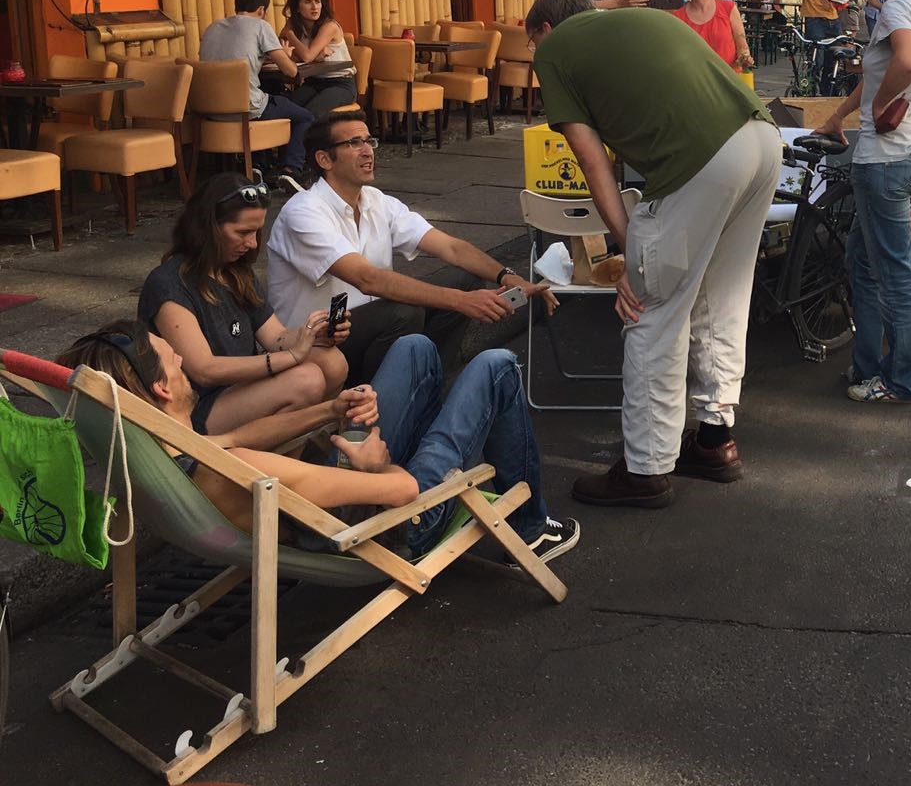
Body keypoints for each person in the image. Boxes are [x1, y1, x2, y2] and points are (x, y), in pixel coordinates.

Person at [527, 0, 781, 508]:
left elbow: (591, 161)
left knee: (650, 314)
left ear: (546, 30)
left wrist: (628, 254)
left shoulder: (555, 48)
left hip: (702, 161)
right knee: (722, 296)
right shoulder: (650, 22)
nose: (536, 59)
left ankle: (644, 469)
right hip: (761, 139)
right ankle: (714, 439)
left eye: (533, 45)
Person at [58, 323, 578, 563]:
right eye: (174, 357)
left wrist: (332, 409)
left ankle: (422, 434)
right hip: (387, 526)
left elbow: (239, 436)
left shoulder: (172, 450)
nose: (183, 361)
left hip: (338, 504)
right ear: (162, 388)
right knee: (495, 367)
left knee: (414, 348)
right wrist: (375, 468)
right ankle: (530, 528)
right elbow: (400, 494)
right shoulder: (235, 467)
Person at [266, 115, 555, 382]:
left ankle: (430, 383)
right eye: (354, 143)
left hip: (368, 328)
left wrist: (507, 276)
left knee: (463, 280)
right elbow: (367, 279)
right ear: (324, 159)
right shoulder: (303, 212)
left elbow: (452, 248)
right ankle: (382, 401)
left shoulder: (376, 201)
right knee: (404, 311)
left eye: (369, 141)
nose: (368, 151)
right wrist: (460, 302)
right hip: (318, 342)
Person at [813, 0, 911, 403]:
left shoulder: (894, 10)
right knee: (863, 263)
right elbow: (886, 70)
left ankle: (900, 381)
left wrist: (883, 107)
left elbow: (904, 63)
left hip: (886, 159)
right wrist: (840, 116)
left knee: (891, 274)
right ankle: (867, 367)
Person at [139, 172, 350, 435]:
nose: (251, 244)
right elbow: (204, 370)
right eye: (242, 232)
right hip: (193, 406)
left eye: (257, 232)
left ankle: (298, 445)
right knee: (306, 381)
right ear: (208, 227)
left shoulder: (234, 271)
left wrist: (314, 334)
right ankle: (264, 463)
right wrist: (291, 357)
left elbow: (277, 336)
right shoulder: (169, 284)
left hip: (238, 388)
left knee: (331, 360)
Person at [199, 0, 314, 188]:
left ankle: (259, 166)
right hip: (247, 107)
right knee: (304, 116)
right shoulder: (260, 26)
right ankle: (291, 169)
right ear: (262, 10)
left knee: (267, 96)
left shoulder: (213, 27)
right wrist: (285, 55)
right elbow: (291, 71)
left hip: (210, 111)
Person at [278, 0, 358, 118]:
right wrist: (298, 54)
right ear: (297, 7)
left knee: (311, 112)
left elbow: (307, 56)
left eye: (317, 2)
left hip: (340, 83)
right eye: (308, 2)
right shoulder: (294, 24)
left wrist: (290, 35)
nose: (314, 7)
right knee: (287, 107)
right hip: (314, 82)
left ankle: (309, 139)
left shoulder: (329, 26)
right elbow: (282, 50)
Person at [674, 0, 754, 71]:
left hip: (728, 82)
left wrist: (744, 57)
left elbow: (741, 43)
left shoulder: (728, 9)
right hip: (697, 84)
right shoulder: (679, 18)